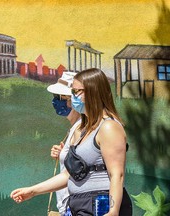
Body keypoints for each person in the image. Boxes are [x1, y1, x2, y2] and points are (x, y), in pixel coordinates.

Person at [10, 68, 132, 216]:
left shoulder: (108, 127)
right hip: (77, 204)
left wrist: (113, 211)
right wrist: (33, 191)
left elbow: (117, 174)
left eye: (76, 92)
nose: (72, 97)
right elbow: (68, 175)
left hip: (100, 204)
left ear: (93, 92)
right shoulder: (80, 130)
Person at [47, 72, 81, 215]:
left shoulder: (82, 129)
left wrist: (32, 190)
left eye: (59, 97)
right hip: (67, 206)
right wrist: (63, 155)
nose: (55, 101)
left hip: (75, 206)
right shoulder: (73, 129)